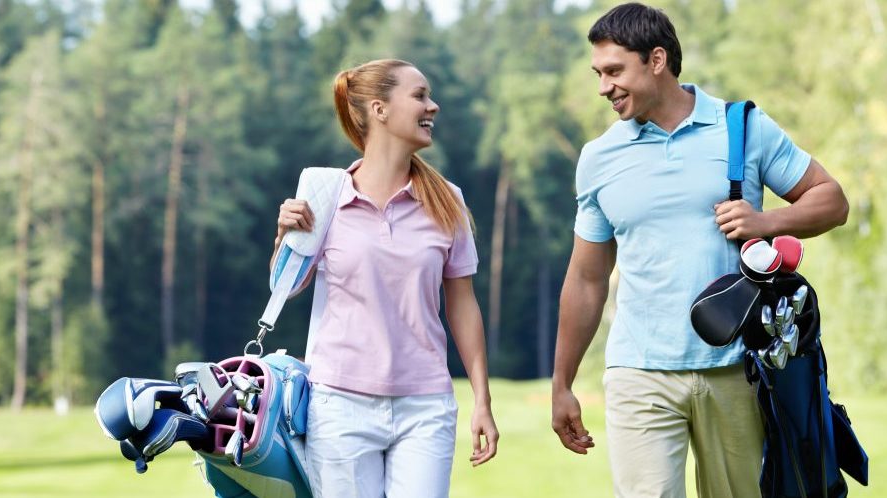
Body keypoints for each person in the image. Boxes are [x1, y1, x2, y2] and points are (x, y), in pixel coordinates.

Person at [549, 4, 850, 498]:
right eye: (598, 74)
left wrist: (766, 221)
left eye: (614, 71)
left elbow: (832, 201)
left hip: (737, 368)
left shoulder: (742, 127)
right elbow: (586, 279)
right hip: (639, 370)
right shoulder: (599, 157)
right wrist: (562, 383)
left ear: (657, 60)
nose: (604, 86)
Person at [273, 58, 499, 498]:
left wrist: (482, 401)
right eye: (419, 96)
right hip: (339, 404)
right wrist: (284, 237)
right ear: (379, 109)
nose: (432, 106)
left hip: (426, 405)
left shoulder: (447, 201)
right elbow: (287, 287)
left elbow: (462, 304)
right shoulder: (325, 194)